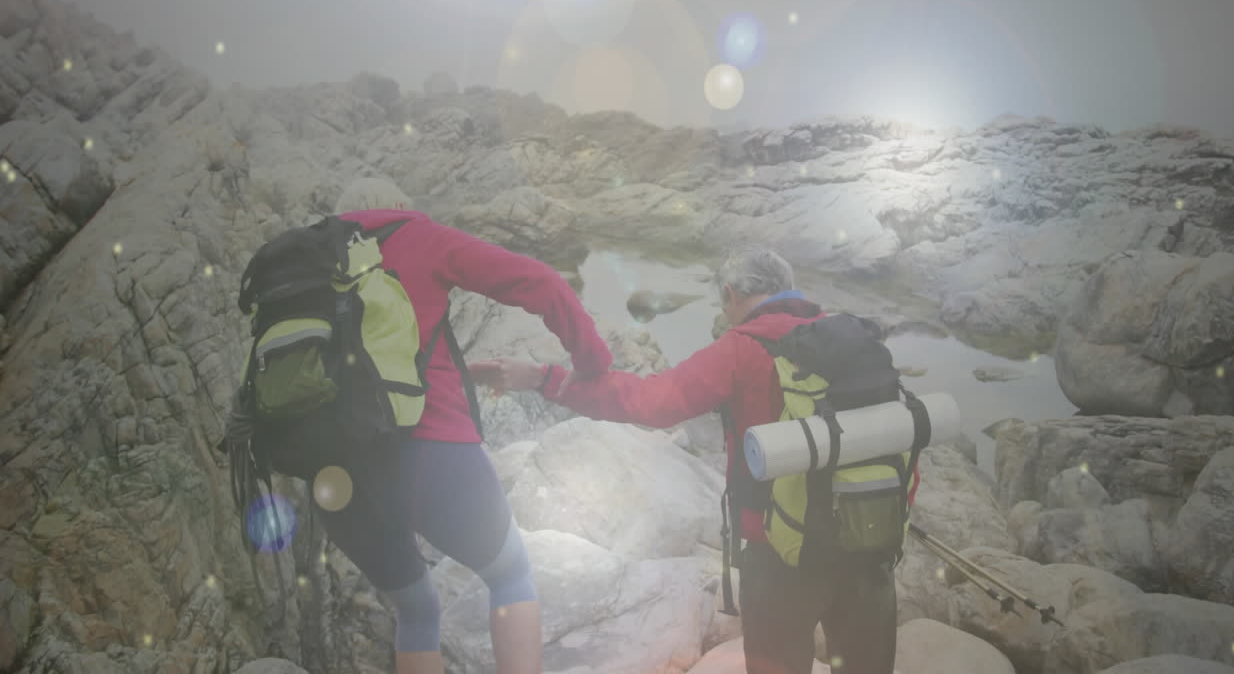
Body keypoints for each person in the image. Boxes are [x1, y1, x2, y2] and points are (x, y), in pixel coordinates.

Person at [470, 246, 913, 674]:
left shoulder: (742, 346)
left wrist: (546, 378)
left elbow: (650, 403)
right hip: (869, 536)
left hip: (780, 552)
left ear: (731, 295)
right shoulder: (853, 337)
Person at [301, 180, 613, 674]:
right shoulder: (421, 235)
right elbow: (542, 283)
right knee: (511, 576)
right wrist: (593, 361)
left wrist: (464, 370)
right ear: (401, 207)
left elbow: (358, 370)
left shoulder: (307, 262)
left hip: (334, 480)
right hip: (431, 457)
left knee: (417, 608)